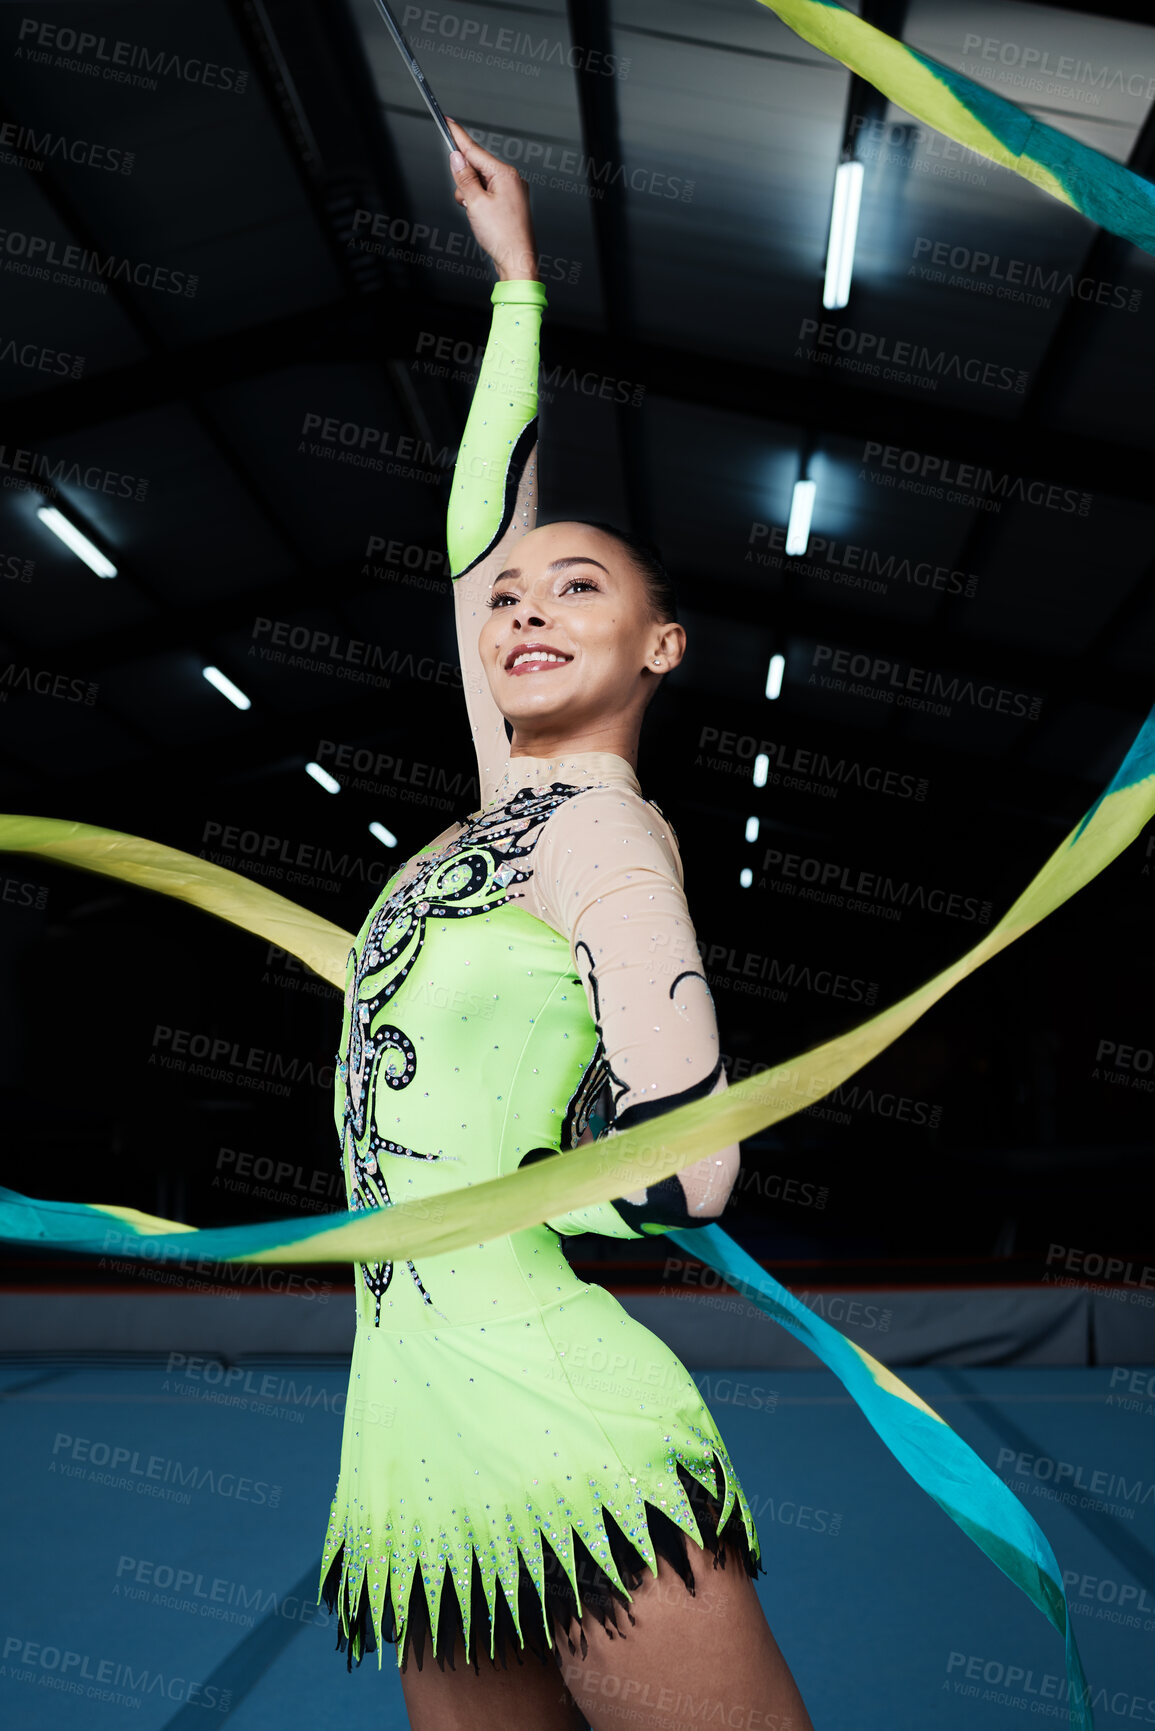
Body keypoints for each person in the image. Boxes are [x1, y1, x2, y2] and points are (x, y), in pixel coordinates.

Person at [317, 118, 816, 1731]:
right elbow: (478, 532)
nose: (525, 608)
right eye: (515, 603)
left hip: (549, 1399)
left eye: (579, 589)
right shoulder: (495, 800)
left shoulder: (603, 842)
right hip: (407, 1413)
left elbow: (695, 1167)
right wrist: (516, 283)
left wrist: (574, 1148)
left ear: (663, 648)